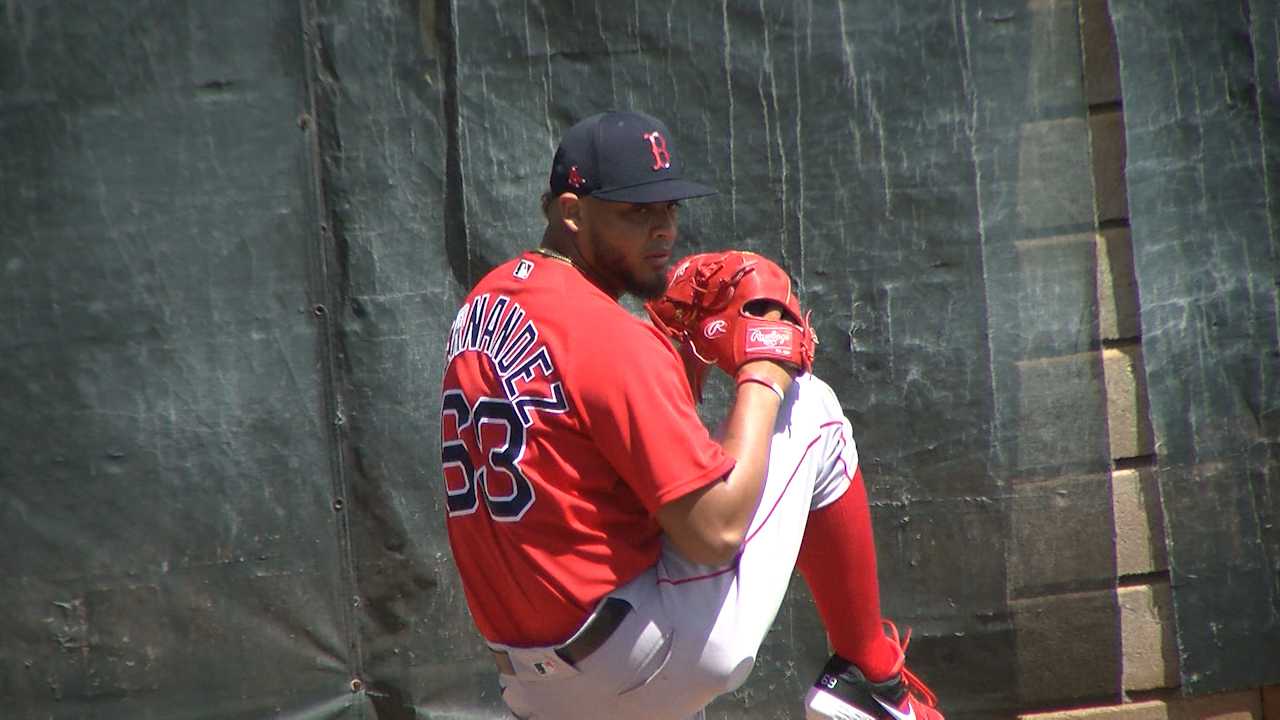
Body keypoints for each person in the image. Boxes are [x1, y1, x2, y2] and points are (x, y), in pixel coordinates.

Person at [438, 109, 943, 720]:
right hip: (634, 660)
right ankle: (870, 678)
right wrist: (764, 372)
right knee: (812, 409)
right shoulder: (609, 338)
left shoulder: (483, 303)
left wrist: (675, 357)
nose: (662, 230)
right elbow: (715, 531)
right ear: (571, 213)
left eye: (668, 208)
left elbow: (584, 456)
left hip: (532, 686)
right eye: (636, 211)